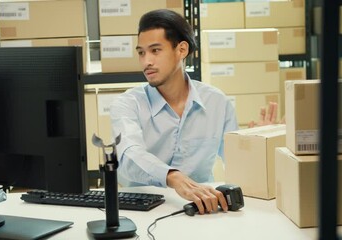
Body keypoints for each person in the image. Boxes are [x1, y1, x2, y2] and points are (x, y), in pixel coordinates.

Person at [109, 9, 279, 215]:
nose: (146, 62)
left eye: (155, 51)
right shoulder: (127, 104)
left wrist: (258, 146)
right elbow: (129, 156)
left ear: (181, 50)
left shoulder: (217, 102)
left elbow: (236, 166)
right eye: (141, 52)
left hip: (199, 210)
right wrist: (173, 177)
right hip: (140, 211)